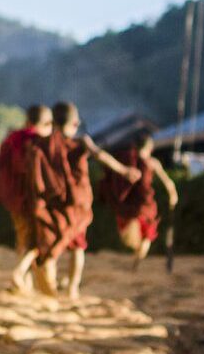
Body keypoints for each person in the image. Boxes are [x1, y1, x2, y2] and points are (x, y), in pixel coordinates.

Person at [24, 102, 140, 299]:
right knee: (78, 246)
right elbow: (100, 155)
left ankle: (49, 288)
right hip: (77, 204)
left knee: (50, 245)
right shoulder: (82, 142)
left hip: (53, 203)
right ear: (75, 123)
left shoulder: (42, 144)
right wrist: (125, 170)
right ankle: (72, 289)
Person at [0, 104, 52, 291]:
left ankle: (25, 284)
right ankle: (20, 274)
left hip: (15, 200)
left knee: (23, 239)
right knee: (40, 241)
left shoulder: (14, 138)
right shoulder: (42, 142)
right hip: (35, 200)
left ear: (27, 120)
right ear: (47, 123)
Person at [100, 131, 178, 270]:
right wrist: (173, 196)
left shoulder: (128, 160)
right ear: (150, 148)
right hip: (144, 206)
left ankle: (135, 258)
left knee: (134, 235)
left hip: (129, 206)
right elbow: (169, 183)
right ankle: (137, 261)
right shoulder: (152, 162)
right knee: (147, 237)